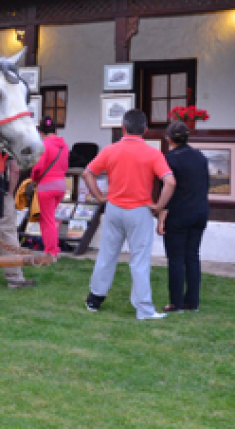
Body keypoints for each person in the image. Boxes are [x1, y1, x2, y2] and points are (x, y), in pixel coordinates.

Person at [83, 109, 176, 320]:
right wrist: (159, 205)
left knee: (107, 255)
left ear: (123, 128)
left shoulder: (110, 150)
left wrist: (99, 196)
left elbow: (88, 173)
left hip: (114, 208)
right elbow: (170, 181)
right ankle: (143, 309)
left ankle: (94, 299)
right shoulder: (152, 153)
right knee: (139, 260)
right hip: (140, 210)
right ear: (145, 130)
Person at [156, 121, 209, 312]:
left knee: (176, 258)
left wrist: (160, 214)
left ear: (168, 139)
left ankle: (176, 302)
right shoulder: (200, 157)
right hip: (200, 211)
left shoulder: (169, 159)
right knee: (193, 256)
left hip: (179, 213)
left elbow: (167, 190)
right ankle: (192, 301)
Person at [30, 116, 69, 259]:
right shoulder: (64, 145)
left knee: (47, 220)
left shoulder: (44, 145)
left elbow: (38, 167)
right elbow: (65, 166)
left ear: (41, 132)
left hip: (46, 186)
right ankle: (53, 247)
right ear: (55, 130)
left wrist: (33, 178)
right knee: (51, 218)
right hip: (61, 185)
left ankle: (51, 251)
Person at [0, 152, 36, 288]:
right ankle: (15, 278)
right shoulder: (3, 137)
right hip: (0, 190)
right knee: (8, 233)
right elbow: (14, 169)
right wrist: (10, 193)